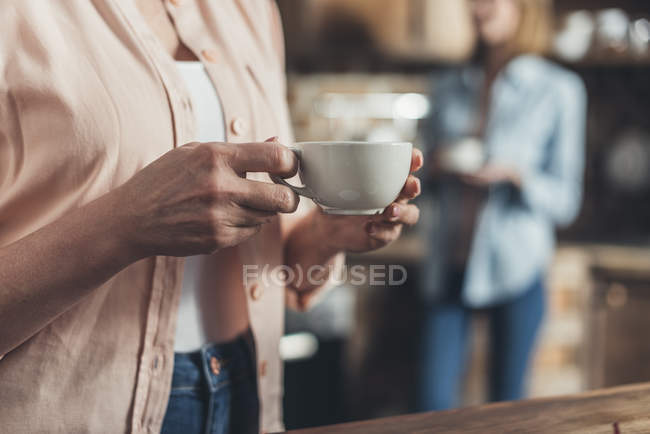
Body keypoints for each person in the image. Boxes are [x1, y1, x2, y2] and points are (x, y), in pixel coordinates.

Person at [0, 1, 422, 433]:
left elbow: (278, 262)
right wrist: (124, 225)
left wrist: (325, 234)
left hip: (244, 395)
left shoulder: (249, 11)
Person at [419, 0, 586, 411]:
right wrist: (436, 167)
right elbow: (415, 178)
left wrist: (515, 176)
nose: (481, 7)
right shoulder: (446, 85)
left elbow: (565, 202)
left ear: (524, 8)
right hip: (449, 266)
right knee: (429, 404)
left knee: (507, 408)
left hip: (517, 267)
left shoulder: (559, 89)